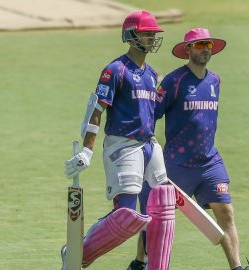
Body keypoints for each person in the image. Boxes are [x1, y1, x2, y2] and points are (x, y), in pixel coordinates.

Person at [128, 28, 249, 270]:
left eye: (208, 44)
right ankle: (140, 262)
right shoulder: (174, 81)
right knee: (155, 218)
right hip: (176, 164)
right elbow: (152, 114)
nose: (205, 48)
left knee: (226, 212)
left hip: (209, 162)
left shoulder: (215, 80)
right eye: (198, 45)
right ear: (187, 50)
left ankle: (237, 267)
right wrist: (146, 147)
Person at [62, 10, 176, 270]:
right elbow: (96, 111)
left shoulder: (152, 75)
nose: (151, 38)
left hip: (150, 145)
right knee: (125, 217)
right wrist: (87, 152)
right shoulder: (115, 70)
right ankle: (77, 253)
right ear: (131, 35)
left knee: (162, 209)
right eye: (147, 33)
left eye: (153, 34)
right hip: (123, 145)